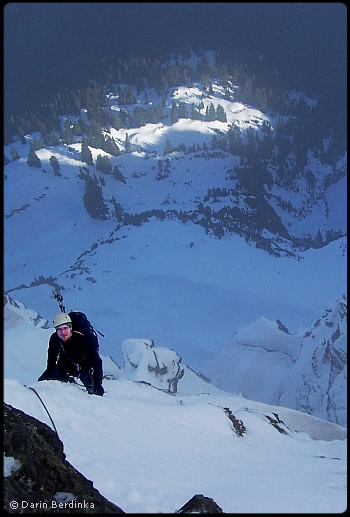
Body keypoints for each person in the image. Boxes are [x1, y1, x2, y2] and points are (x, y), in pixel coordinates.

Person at [38, 312, 104, 396]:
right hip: (67, 362)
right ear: (56, 330)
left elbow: (97, 361)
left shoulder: (85, 338)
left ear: (70, 327)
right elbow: (52, 356)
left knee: (94, 392)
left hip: (85, 365)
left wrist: (98, 383)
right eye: (59, 329)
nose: (63, 332)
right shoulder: (55, 338)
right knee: (43, 380)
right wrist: (49, 372)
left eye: (65, 328)